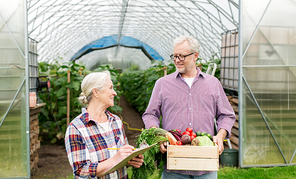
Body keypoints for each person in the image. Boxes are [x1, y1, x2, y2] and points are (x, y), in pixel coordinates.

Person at [142, 36, 236, 179]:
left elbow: (227, 115)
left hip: (206, 166)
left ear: (195, 56)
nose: (177, 60)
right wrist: (159, 136)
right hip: (173, 166)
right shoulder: (162, 84)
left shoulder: (212, 83)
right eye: (174, 56)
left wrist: (220, 135)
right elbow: (150, 115)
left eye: (182, 56)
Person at [65, 71, 144, 179]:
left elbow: (121, 157)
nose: (115, 93)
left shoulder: (116, 121)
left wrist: (130, 160)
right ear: (96, 92)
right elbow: (81, 172)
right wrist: (115, 159)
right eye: (110, 88)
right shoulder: (76, 128)